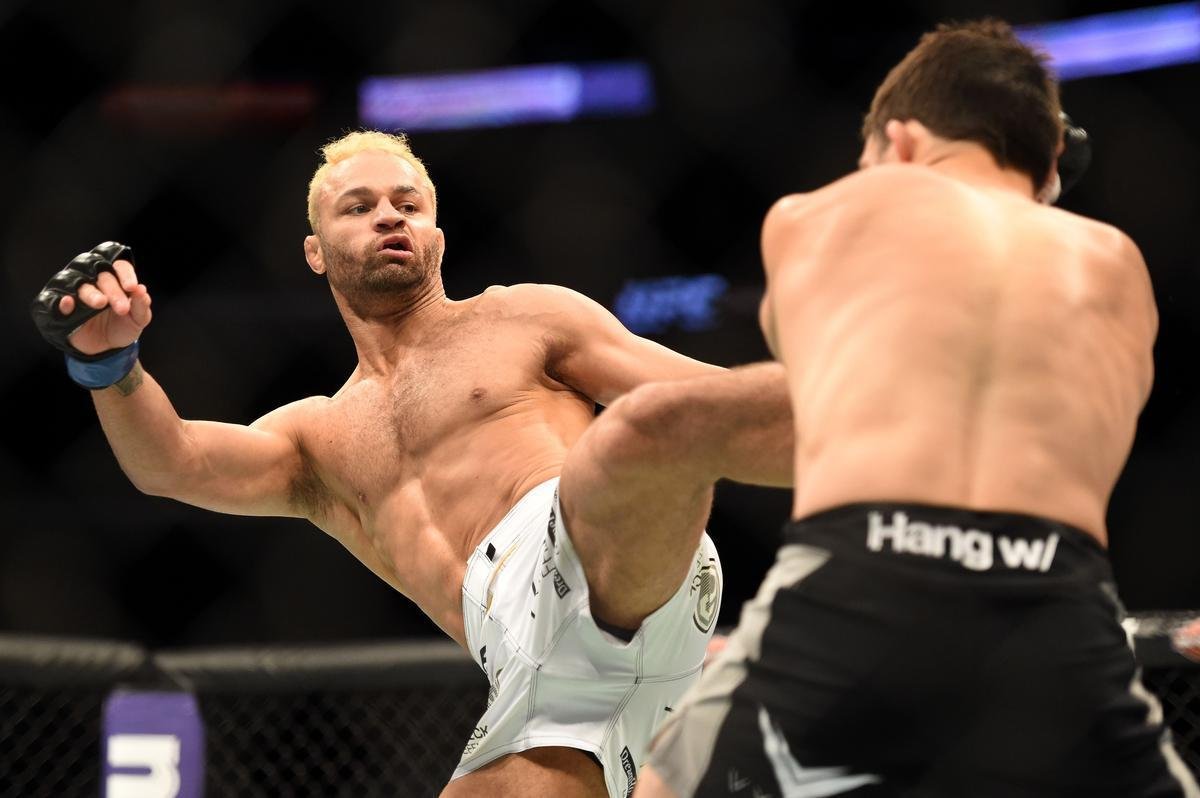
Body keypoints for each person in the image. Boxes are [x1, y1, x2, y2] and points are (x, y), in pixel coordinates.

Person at [30, 131, 794, 798]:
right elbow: (173, 461)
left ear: (436, 233)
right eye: (358, 207)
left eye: (408, 203)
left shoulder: (522, 318)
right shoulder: (315, 437)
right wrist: (111, 366)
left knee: (651, 424)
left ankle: (891, 461)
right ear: (314, 250)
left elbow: (701, 398)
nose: (389, 216)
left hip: (595, 548)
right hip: (538, 682)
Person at [638, 19, 1200, 798]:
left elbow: (801, 351)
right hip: (1056, 601)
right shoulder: (1117, 264)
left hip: (863, 576)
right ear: (1045, 173)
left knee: (664, 782)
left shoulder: (813, 216)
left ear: (898, 144)